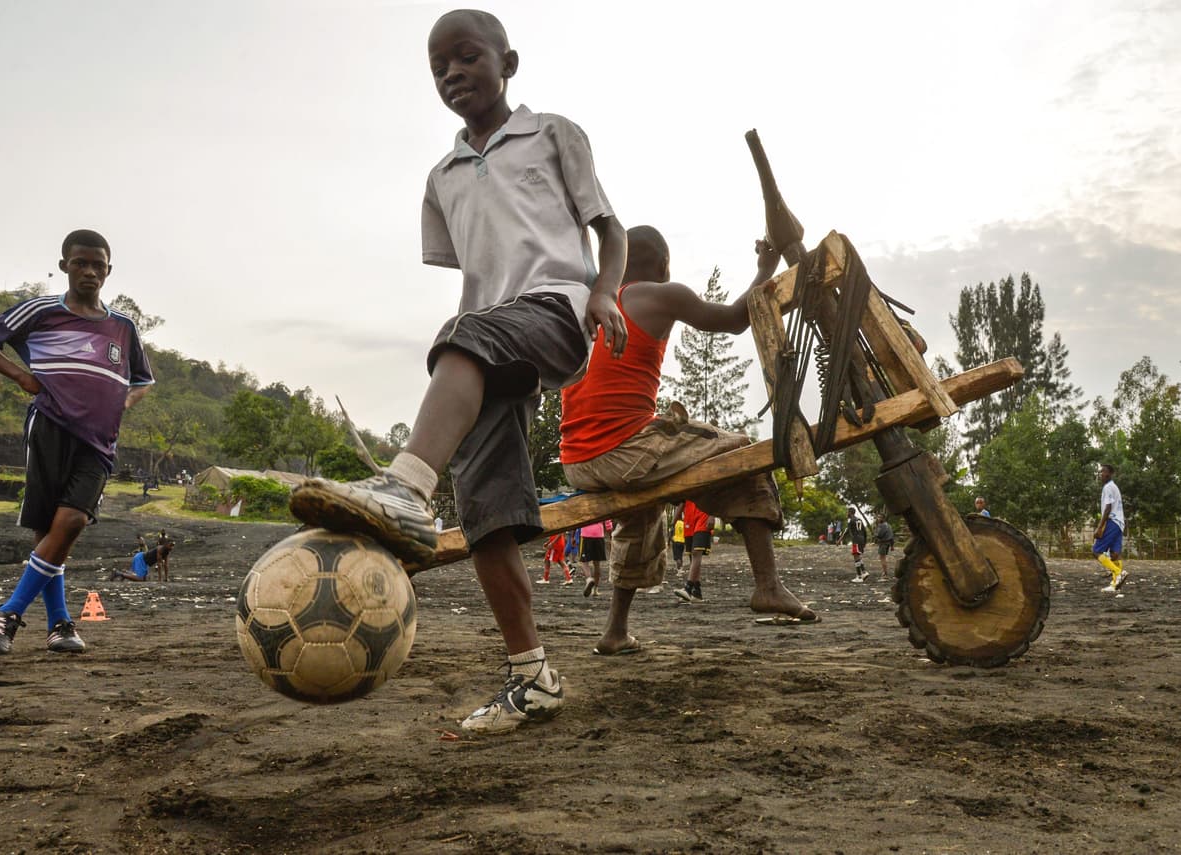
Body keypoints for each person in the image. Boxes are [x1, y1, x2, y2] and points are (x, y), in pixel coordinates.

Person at [288, 9, 627, 735]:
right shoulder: (441, 177)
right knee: (488, 512)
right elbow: (475, 270)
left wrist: (602, 290)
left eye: (467, 57)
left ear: (509, 61)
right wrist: (466, 371)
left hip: (558, 312)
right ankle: (530, 674)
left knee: (464, 334)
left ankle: (406, 486)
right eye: (438, 66)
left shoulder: (554, 133)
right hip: (491, 341)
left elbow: (611, 227)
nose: (452, 73)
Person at [559, 227, 814, 652]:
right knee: (743, 454)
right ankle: (768, 585)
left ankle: (615, 632)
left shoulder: (593, 307)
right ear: (663, 266)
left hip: (578, 459)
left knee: (641, 512)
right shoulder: (661, 294)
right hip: (623, 449)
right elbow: (735, 320)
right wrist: (765, 269)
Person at [0, 228, 154, 654]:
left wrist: (123, 402)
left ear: (108, 271)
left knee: (73, 522)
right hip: (49, 427)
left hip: (99, 440)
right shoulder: (41, 312)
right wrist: (20, 375)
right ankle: (60, 624)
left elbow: (142, 379)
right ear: (65, 265)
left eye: (97, 265)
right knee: (50, 529)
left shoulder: (123, 327)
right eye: (80, 263)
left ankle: (9, 610)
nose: (89, 271)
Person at [1094, 463, 1127, 592]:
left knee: (1096, 550)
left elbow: (1108, 508)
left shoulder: (1108, 487)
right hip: (1119, 522)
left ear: (1110, 474)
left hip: (1112, 521)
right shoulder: (1115, 487)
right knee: (1114, 555)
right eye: (1101, 472)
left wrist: (1099, 527)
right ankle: (1114, 585)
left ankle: (1118, 573)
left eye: (1104, 472)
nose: (1102, 474)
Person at [675, 501, 714, 603]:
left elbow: (714, 493)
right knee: (692, 556)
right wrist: (674, 522)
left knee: (697, 552)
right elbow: (681, 501)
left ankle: (688, 588)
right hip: (689, 518)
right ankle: (697, 592)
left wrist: (712, 515)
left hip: (703, 516)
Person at [578, 520, 608, 597]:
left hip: (586, 534)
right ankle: (595, 590)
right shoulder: (603, 507)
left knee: (583, 562)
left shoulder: (584, 507)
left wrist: (573, 535)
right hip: (599, 535)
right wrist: (609, 530)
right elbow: (608, 520)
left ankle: (589, 579)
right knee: (597, 564)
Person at [845, 507, 869, 582]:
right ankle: (864, 572)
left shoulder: (850, 520)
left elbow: (848, 531)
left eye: (847, 512)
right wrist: (865, 541)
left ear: (850, 512)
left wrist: (840, 540)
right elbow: (865, 531)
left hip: (856, 539)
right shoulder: (860, 520)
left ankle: (859, 576)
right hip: (862, 538)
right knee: (858, 556)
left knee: (856, 557)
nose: (846, 514)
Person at [873, 513, 895, 579]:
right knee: (883, 558)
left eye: (879, 517)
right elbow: (892, 536)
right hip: (888, 543)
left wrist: (875, 531)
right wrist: (892, 545)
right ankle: (885, 572)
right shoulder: (889, 525)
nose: (878, 518)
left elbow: (879, 535)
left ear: (883, 518)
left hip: (883, 543)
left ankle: (885, 573)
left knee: (882, 558)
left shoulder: (881, 525)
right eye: (878, 517)